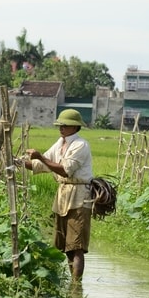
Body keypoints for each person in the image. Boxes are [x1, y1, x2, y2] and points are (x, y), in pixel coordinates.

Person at [22, 109, 93, 282]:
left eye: (65, 125)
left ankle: (76, 286)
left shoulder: (80, 145)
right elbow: (42, 164)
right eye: (60, 125)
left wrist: (39, 156)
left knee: (76, 246)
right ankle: (73, 282)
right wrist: (17, 162)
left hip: (79, 197)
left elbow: (64, 170)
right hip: (63, 196)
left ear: (75, 127)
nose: (61, 128)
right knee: (66, 246)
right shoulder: (60, 143)